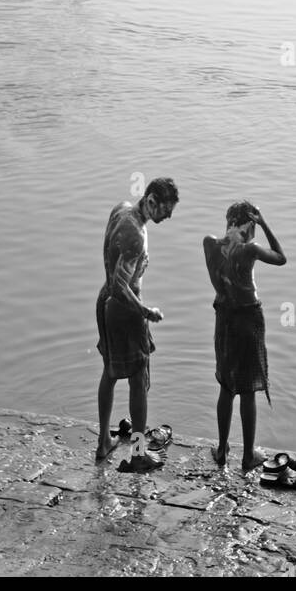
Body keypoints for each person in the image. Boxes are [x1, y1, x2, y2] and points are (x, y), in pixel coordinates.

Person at [95, 178, 179, 471]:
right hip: (123, 310)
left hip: (104, 303)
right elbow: (120, 285)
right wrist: (145, 311)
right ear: (152, 200)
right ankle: (139, 453)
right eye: (165, 210)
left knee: (109, 371)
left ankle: (104, 440)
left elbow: (111, 268)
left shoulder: (122, 209)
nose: (167, 217)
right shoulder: (136, 235)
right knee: (138, 378)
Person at [203, 200, 286, 471]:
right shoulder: (249, 249)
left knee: (226, 386)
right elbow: (281, 257)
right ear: (249, 225)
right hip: (248, 318)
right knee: (248, 389)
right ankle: (248, 455)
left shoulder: (209, 244)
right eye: (254, 227)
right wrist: (264, 223)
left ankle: (223, 449)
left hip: (224, 318)